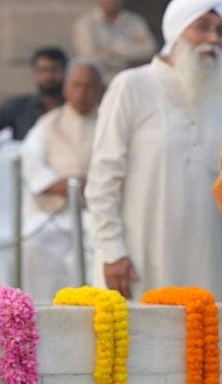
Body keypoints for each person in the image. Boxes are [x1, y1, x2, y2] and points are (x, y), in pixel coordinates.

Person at [86, 0, 222, 301]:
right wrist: (112, 251)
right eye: (202, 28)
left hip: (208, 257)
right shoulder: (132, 86)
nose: (213, 39)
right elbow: (103, 178)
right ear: (176, 32)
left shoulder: (218, 96)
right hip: (139, 256)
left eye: (219, 31)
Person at [21, 60, 104, 302]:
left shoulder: (110, 122)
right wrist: (74, 186)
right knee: (34, 246)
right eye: (76, 85)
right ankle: (42, 311)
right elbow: (34, 168)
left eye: (89, 86)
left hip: (95, 213)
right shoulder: (47, 124)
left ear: (100, 90)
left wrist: (93, 186)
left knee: (102, 248)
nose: (82, 92)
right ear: (66, 89)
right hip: (53, 215)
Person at [0, 47, 67, 142]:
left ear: (65, 71)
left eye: (54, 70)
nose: (49, 76)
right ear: (34, 73)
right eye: (43, 70)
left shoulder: (75, 107)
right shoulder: (18, 106)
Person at [74, 0, 156, 82]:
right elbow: (89, 57)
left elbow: (149, 49)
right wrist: (130, 56)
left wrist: (114, 49)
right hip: (101, 81)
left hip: (131, 79)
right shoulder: (86, 24)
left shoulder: (135, 21)